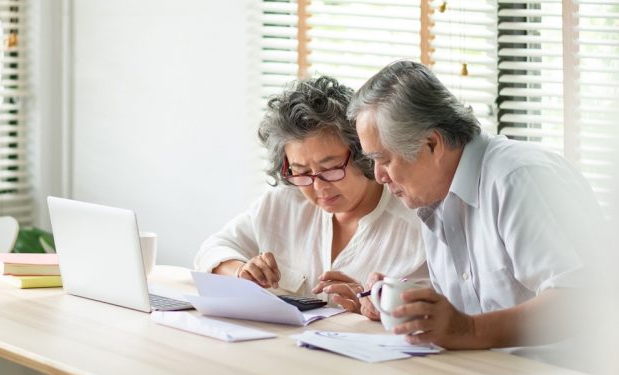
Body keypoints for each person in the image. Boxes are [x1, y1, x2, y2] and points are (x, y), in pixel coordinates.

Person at [347, 60, 605, 351]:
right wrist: (402, 303)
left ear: (432, 144)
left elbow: (578, 301)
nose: (379, 176)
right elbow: (477, 305)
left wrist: (467, 330)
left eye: (384, 160)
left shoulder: (518, 178)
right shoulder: (434, 196)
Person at [194, 75, 426, 312]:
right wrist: (241, 272)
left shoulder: (416, 226)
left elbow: (436, 313)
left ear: (362, 154)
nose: (318, 187)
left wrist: (377, 306)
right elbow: (213, 249)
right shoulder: (283, 204)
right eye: (301, 171)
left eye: (330, 169)